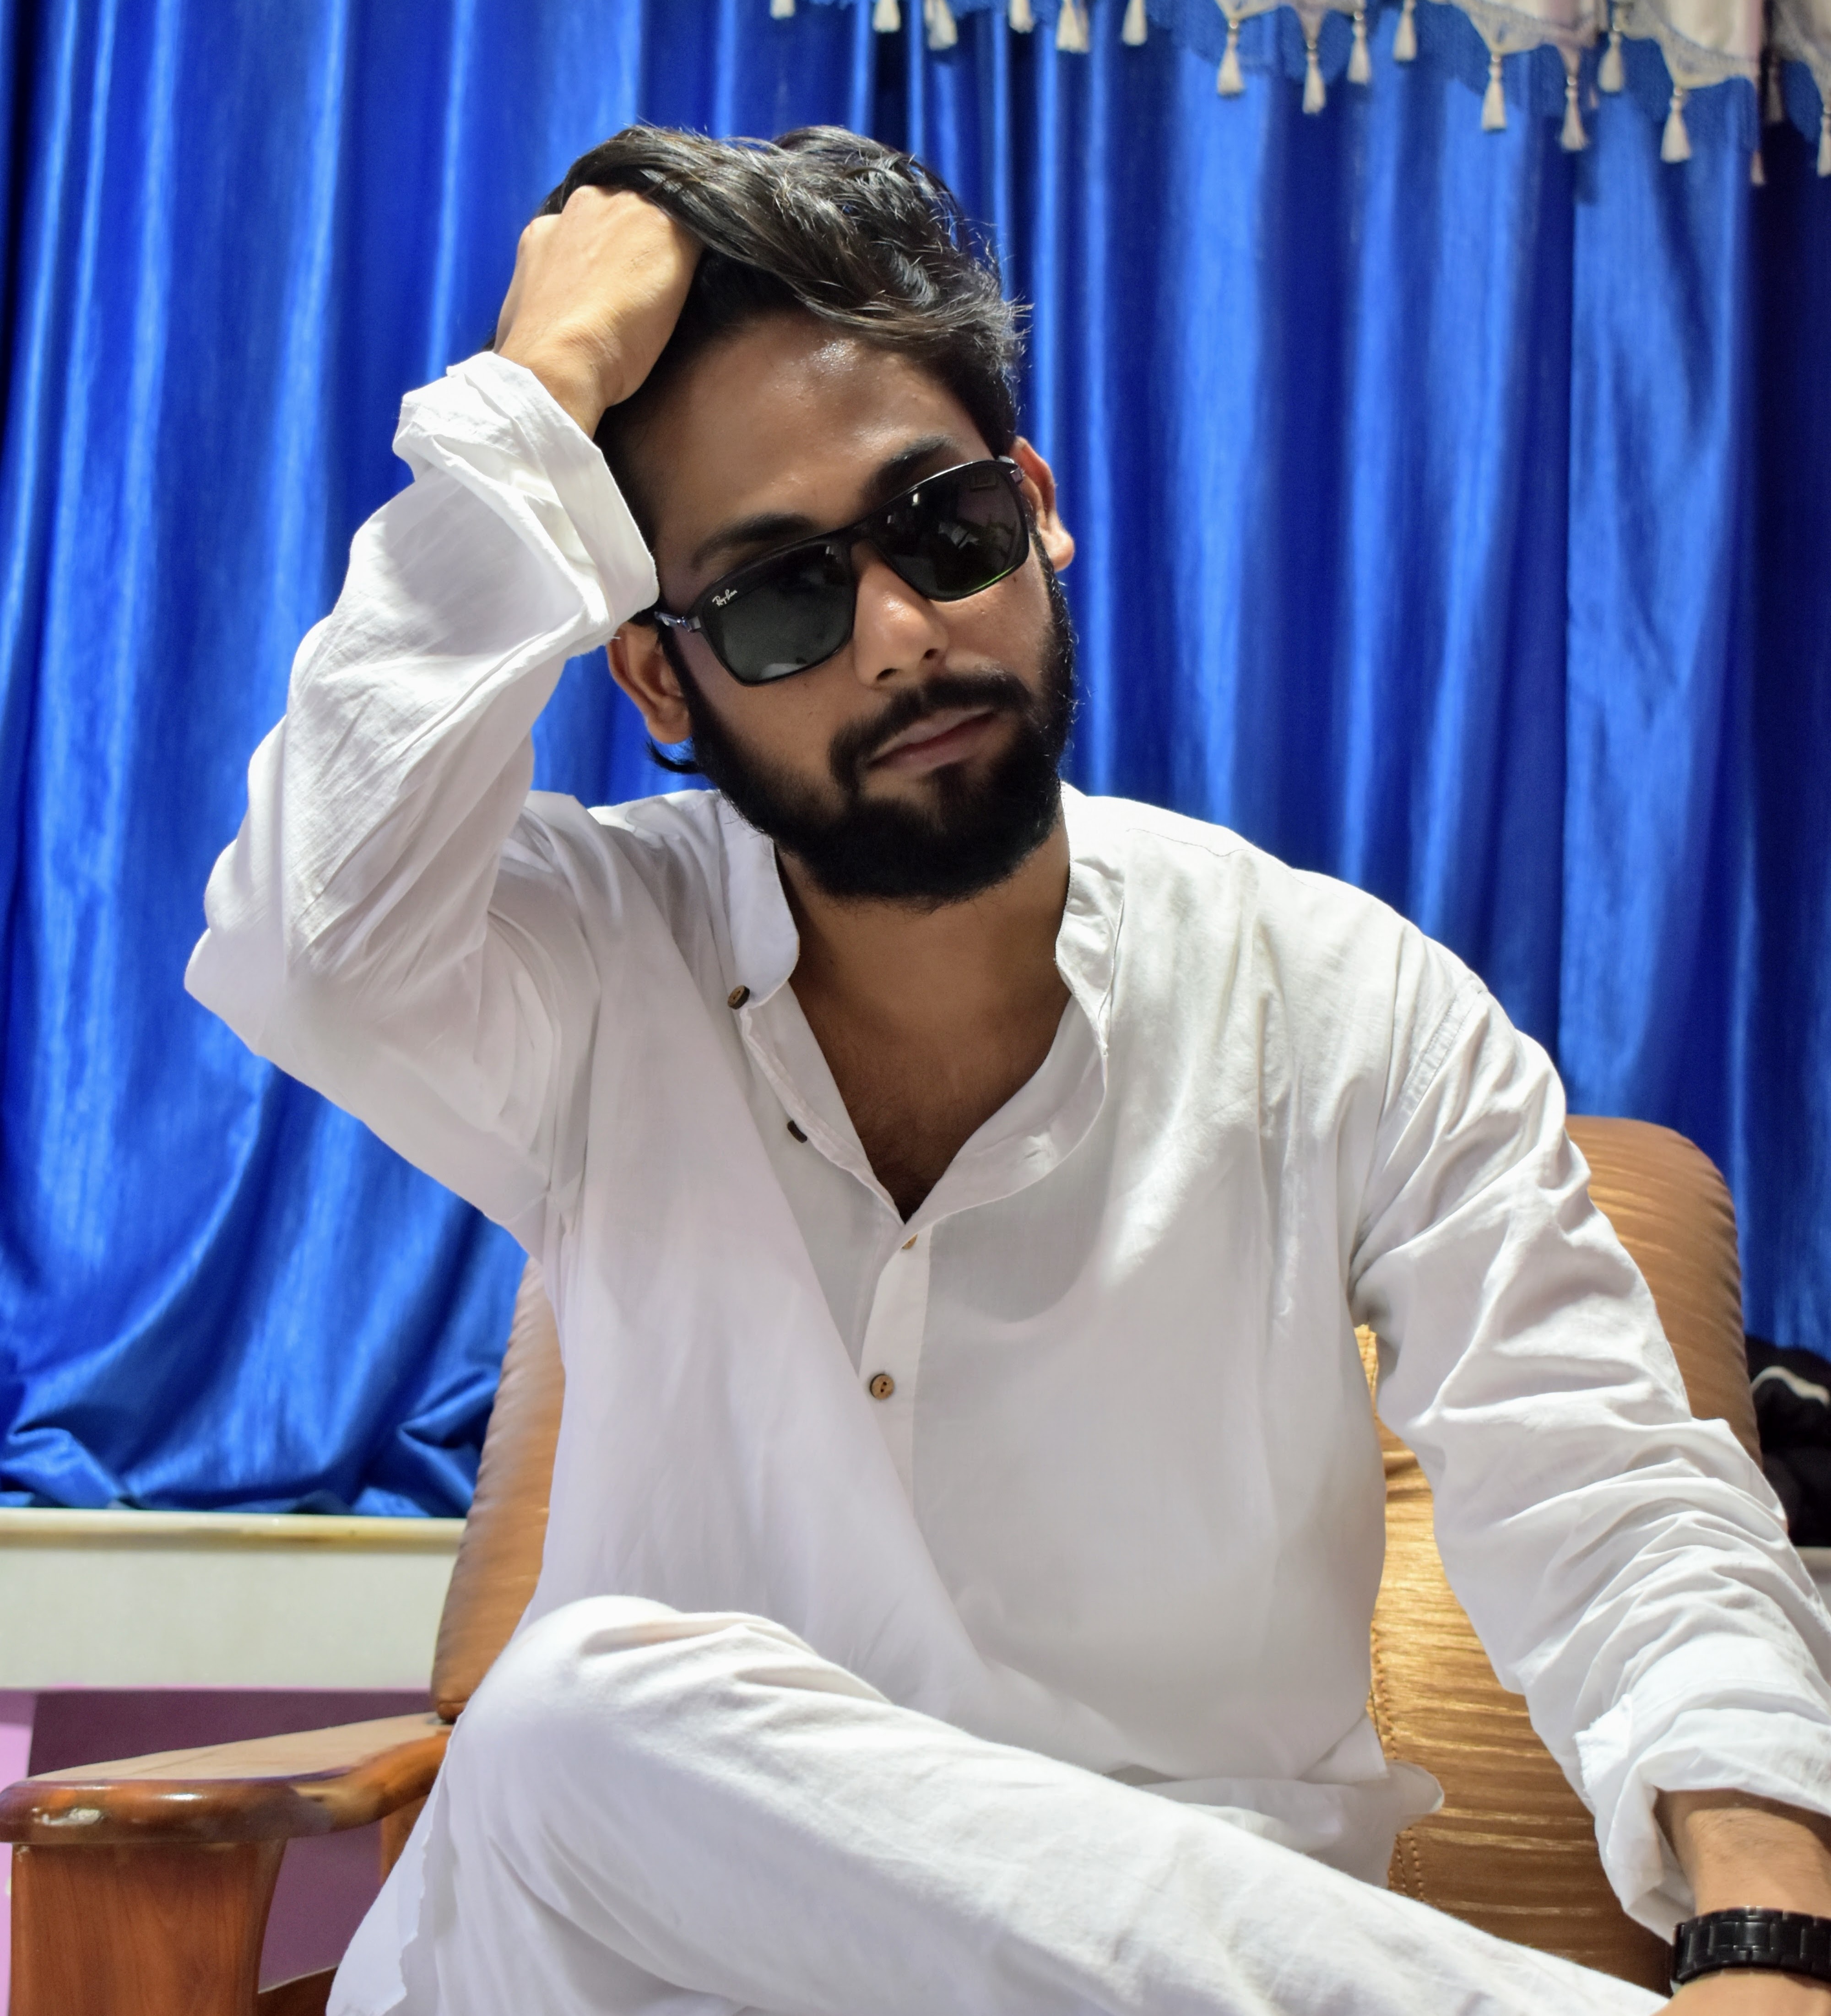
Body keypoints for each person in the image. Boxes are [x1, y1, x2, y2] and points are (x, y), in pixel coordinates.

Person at [187, 126, 1831, 2016]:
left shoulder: (1344, 1004)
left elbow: (1615, 1499)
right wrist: (535, 394)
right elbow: (318, 937)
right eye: (780, 597)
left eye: (942, 527)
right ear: (654, 682)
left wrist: (1767, 1938)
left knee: (566, 1726)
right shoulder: (586, 963)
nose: (902, 633)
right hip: (655, 1967)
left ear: (1036, 512)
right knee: (566, 1732)